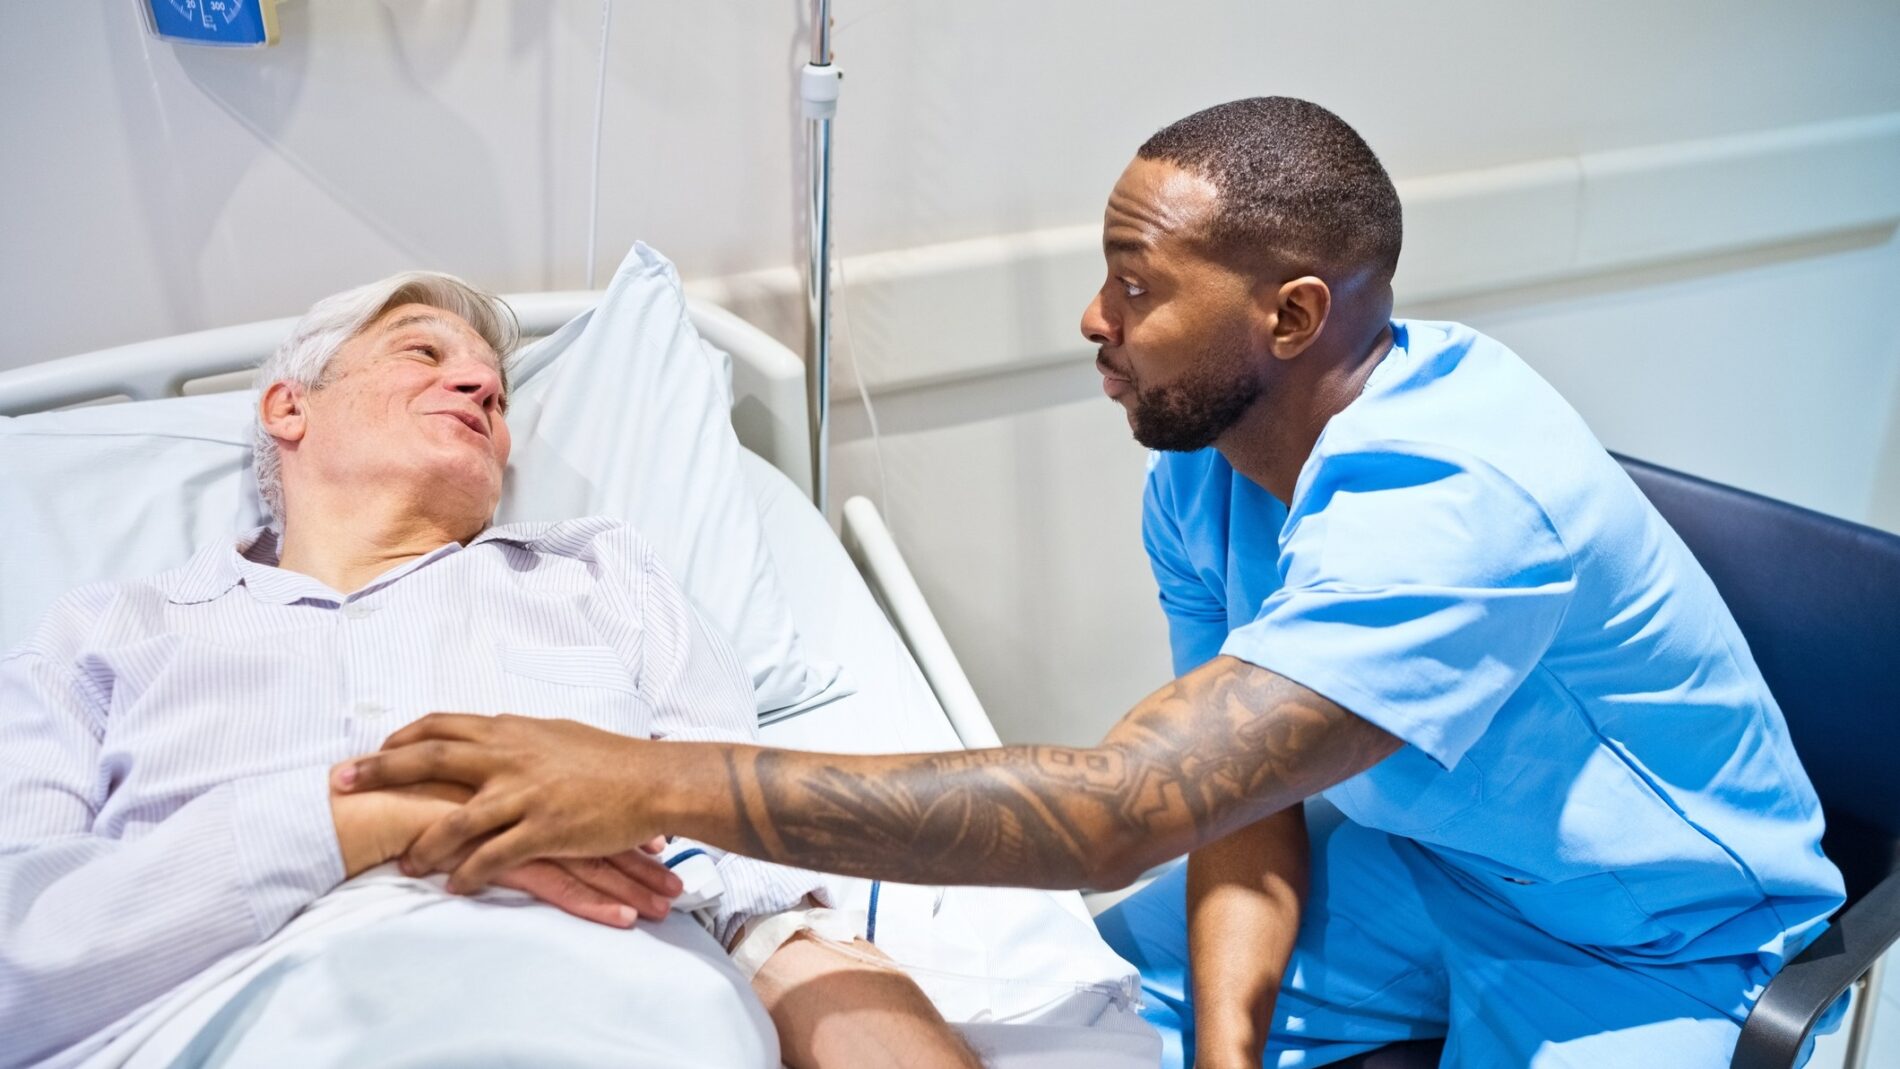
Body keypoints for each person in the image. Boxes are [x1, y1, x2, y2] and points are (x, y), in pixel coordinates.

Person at [331, 98, 1846, 1068]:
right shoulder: (1205, 462)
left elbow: (1131, 802)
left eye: (1136, 285)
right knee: (1077, 1036)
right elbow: (1239, 796)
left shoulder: (1454, 504)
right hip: (1399, 874)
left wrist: (651, 776)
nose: (1091, 318)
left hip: (1643, 939)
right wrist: (1228, 1056)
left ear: (1291, 314)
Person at [0, 274, 982, 1069]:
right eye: (422, 353)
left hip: (614, 1011)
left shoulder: (594, 576)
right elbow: (24, 961)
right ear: (287, 408)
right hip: (230, 1015)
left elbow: (751, 891)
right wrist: (374, 820)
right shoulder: (107, 636)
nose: (477, 388)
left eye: (498, 391)